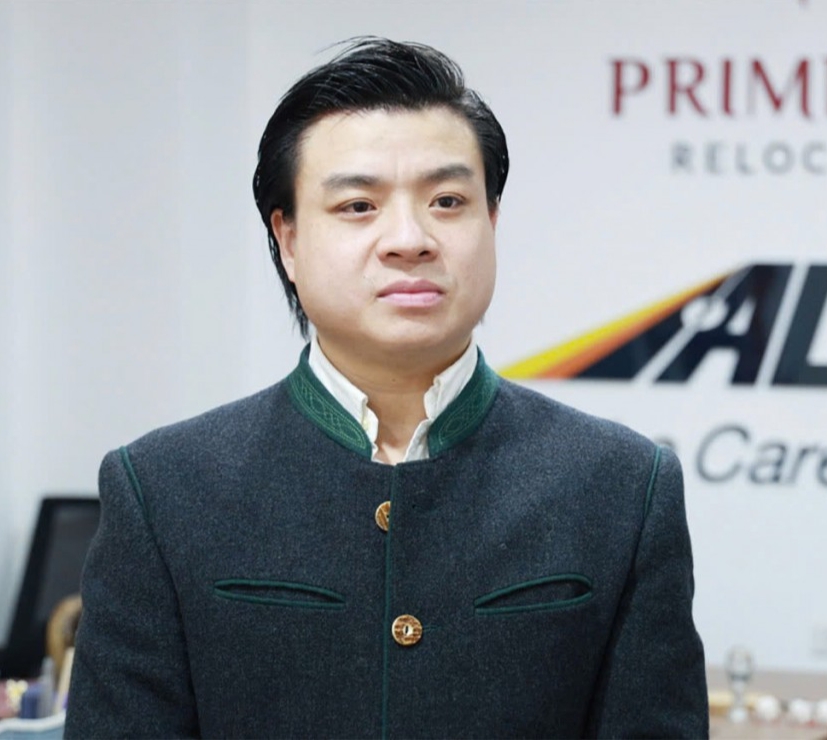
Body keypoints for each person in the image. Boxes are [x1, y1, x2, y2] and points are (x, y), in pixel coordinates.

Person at [66, 38, 708, 738]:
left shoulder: (621, 486)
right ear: (287, 240)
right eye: (358, 206)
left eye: (447, 200)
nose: (409, 238)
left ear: (491, 222)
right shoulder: (164, 489)